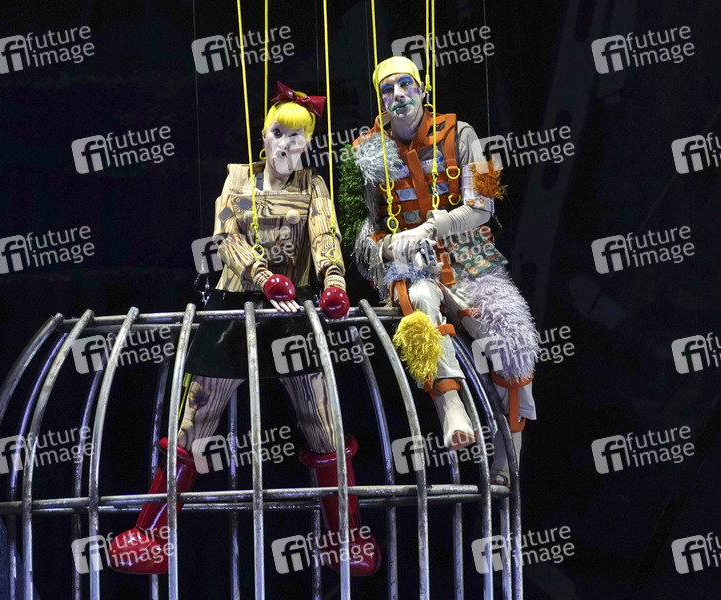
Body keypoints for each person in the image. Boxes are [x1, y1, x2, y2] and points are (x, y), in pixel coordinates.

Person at [108, 82, 380, 576]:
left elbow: (325, 236)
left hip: (292, 310)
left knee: (321, 417)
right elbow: (226, 237)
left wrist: (334, 282)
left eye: (297, 137)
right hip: (235, 307)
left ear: (307, 143)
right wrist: (262, 276)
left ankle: (344, 536)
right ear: (265, 135)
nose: (286, 145)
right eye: (279, 133)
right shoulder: (238, 178)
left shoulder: (314, 185)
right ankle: (152, 533)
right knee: (196, 415)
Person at [347, 57, 538, 486]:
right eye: (387, 90)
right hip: (412, 264)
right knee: (418, 303)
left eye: (406, 85)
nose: (398, 95)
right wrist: (388, 245)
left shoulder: (463, 133)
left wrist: (435, 226)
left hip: (472, 258)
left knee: (513, 338)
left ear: (422, 89)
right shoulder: (365, 152)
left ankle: (506, 463)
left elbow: (486, 202)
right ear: (380, 100)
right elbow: (359, 227)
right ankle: (450, 406)